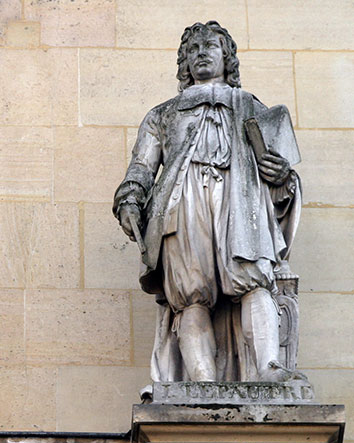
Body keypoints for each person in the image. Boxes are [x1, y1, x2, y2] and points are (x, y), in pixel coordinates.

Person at [113, 21, 302, 383]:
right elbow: (141, 166)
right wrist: (130, 199)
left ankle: (268, 367)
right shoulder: (163, 114)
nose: (201, 53)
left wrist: (280, 175)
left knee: (254, 279)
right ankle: (201, 382)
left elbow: (281, 176)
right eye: (192, 49)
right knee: (190, 292)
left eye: (210, 46)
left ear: (226, 57)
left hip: (240, 198)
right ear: (184, 63)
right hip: (181, 203)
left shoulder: (251, 106)